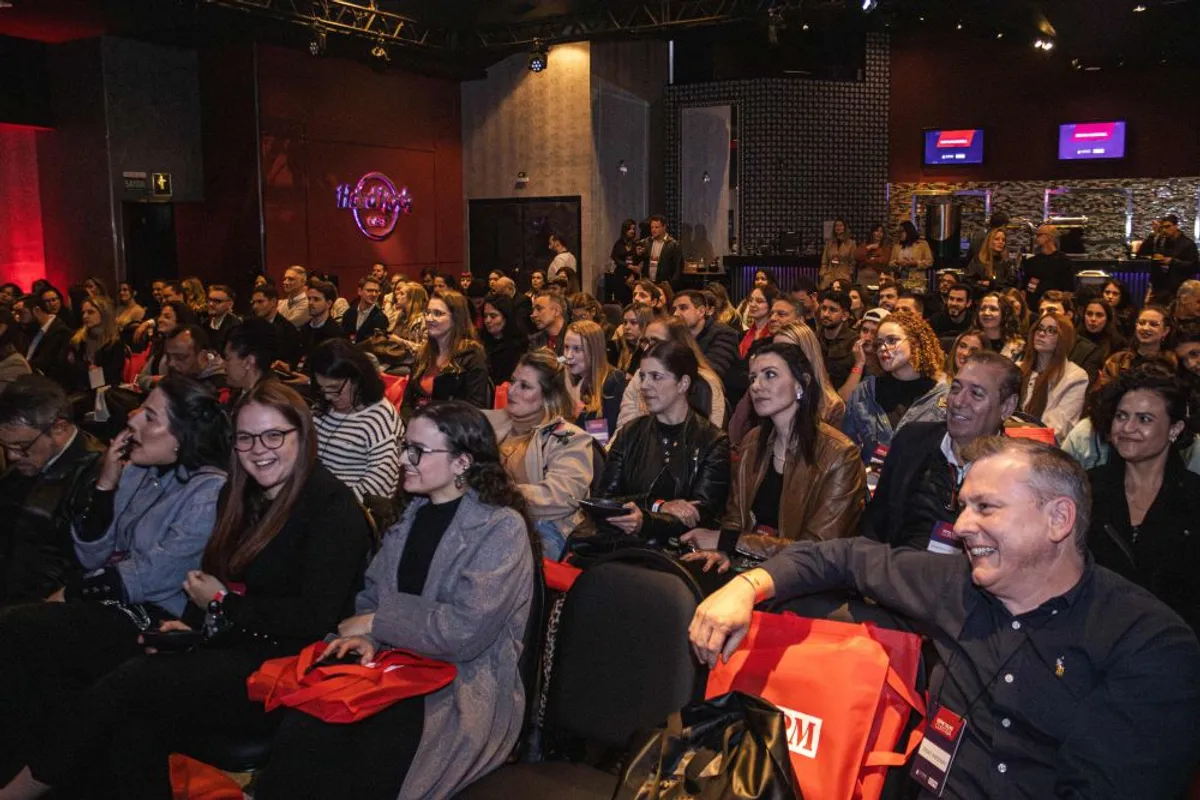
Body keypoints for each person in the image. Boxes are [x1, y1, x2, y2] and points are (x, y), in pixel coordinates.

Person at [689, 436, 1200, 799]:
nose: (961, 525)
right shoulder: (955, 585)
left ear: (1058, 520)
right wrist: (746, 585)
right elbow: (840, 555)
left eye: (986, 507)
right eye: (962, 506)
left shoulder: (1149, 644)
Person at [35, 381, 373, 798]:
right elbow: (211, 577)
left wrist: (220, 604)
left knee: (129, 685)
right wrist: (192, 627)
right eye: (246, 438)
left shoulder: (331, 509)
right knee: (125, 709)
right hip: (233, 648)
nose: (258, 449)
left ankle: (31, 783)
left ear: (303, 436)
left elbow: (311, 618)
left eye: (274, 435)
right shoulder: (242, 493)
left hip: (284, 672)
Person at [252, 401, 538, 800]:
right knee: (308, 719)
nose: (404, 459)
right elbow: (372, 593)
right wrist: (369, 639)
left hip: (463, 685)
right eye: (407, 447)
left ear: (461, 463)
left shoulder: (500, 528)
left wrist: (376, 624)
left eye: (418, 451)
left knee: (360, 744)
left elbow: (464, 632)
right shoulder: (413, 513)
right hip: (397, 663)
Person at [0, 376, 231, 799]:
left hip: (161, 619)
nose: (133, 418)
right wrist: (106, 483)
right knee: (31, 647)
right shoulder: (143, 471)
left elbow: (148, 575)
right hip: (115, 603)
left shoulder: (208, 490)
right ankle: (37, 768)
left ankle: (24, 778)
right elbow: (92, 553)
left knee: (22, 630)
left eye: (150, 414)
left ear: (181, 436)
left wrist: (73, 593)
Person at [681, 342, 864, 570]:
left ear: (802, 384)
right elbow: (735, 519)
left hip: (805, 581)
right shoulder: (752, 442)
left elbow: (817, 549)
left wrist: (731, 542)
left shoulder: (839, 454)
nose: (756, 386)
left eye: (770, 375)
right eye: (753, 378)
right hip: (748, 565)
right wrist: (723, 551)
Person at [864, 351, 1021, 551]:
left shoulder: (1017, 472)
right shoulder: (911, 441)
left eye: (976, 394)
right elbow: (875, 524)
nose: (958, 401)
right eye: (955, 389)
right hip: (900, 570)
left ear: (1007, 407)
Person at [1086, 367, 1200, 633]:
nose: (1128, 428)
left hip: (1176, 646)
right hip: (1095, 641)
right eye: (1121, 416)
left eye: (1145, 419)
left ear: (1175, 429)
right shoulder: (1086, 489)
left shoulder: (1194, 499)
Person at [596, 341, 731, 550]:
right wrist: (658, 506)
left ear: (683, 384)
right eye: (642, 376)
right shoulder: (630, 433)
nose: (644, 386)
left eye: (656, 377)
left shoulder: (712, 441)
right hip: (626, 547)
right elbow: (604, 500)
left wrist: (646, 520)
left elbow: (698, 515)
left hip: (682, 554)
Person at [0, 376, 105, 605]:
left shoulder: (98, 477)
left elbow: (80, 564)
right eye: (5, 446)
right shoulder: (30, 461)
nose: (12, 456)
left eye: (21, 446)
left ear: (59, 428)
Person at [484, 350, 592, 559]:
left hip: (543, 534)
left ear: (548, 396)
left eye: (525, 386)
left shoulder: (569, 438)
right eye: (513, 381)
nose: (511, 391)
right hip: (491, 524)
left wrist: (497, 494)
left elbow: (562, 497)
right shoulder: (491, 424)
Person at [842, 310, 948, 462]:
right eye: (879, 343)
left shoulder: (942, 398)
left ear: (915, 342)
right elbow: (848, 448)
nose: (883, 348)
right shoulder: (865, 392)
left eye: (892, 340)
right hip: (870, 483)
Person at [309, 339, 402, 501]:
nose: (327, 396)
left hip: (346, 509)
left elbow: (381, 486)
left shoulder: (380, 418)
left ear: (357, 379)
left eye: (334, 388)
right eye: (321, 388)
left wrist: (331, 505)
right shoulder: (323, 405)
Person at [616, 315, 727, 432]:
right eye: (645, 341)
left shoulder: (704, 381)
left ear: (677, 343)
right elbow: (623, 429)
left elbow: (709, 436)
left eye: (656, 342)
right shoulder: (640, 375)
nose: (647, 348)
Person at [400, 290, 490, 420]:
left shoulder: (472, 355)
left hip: (452, 429)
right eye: (428, 312)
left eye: (438, 313)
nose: (429, 319)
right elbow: (407, 403)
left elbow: (474, 409)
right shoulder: (424, 353)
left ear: (455, 319)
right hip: (418, 426)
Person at [1018, 312, 1088, 442]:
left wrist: (1014, 432)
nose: (1041, 333)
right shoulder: (1018, 368)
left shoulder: (1075, 376)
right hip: (1008, 442)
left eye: (1051, 331)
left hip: (1046, 450)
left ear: (1064, 338)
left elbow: (1058, 429)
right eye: (1040, 328)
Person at [675, 289, 746, 409]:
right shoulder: (679, 336)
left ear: (701, 311)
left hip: (722, 403)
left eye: (683, 308)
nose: (676, 314)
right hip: (691, 397)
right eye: (674, 309)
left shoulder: (725, 334)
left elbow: (713, 371)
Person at [564, 320, 627, 441]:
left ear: (594, 352)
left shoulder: (613, 381)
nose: (568, 355)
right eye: (566, 347)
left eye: (577, 349)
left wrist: (575, 411)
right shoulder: (567, 379)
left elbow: (599, 440)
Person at [65, 296, 126, 396]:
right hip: (80, 390)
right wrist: (89, 369)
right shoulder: (77, 340)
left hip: (106, 393)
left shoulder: (114, 343)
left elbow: (112, 376)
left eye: (90, 312)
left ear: (104, 314)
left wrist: (91, 371)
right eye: (83, 313)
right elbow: (71, 371)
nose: (85, 316)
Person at [1101, 305, 1176, 382]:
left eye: (1153, 324)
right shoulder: (1118, 360)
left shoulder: (1171, 362)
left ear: (1165, 331)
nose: (1145, 328)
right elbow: (1104, 390)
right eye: (1141, 323)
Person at [223, 318, 279, 405]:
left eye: (227, 359)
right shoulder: (241, 393)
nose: (223, 366)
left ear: (248, 362)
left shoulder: (265, 405)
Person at [1147, 213, 1199, 305]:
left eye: (1168, 226)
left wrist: (1172, 262)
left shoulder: (1188, 244)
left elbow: (1194, 266)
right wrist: (1154, 235)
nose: (1165, 230)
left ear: (1176, 226)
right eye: (1162, 227)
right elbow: (1145, 253)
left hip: (1178, 291)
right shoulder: (1161, 242)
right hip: (1159, 291)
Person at [24, 292, 72, 387]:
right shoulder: (33, 329)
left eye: (22, 312)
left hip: (47, 383)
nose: (17, 316)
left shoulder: (59, 331)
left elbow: (47, 362)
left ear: (36, 311)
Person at [1021, 224, 1075, 308]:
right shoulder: (1033, 261)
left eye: (1039, 235)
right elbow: (1028, 287)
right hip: (1034, 307)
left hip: (1055, 307)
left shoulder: (1064, 261)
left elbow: (1069, 290)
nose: (1036, 238)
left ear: (1049, 237)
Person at [480, 293, 527, 387]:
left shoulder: (519, 346)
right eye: (485, 316)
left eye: (493, 316)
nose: (488, 320)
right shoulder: (479, 341)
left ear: (506, 317)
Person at [816, 289, 857, 389]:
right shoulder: (813, 338)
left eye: (832, 310)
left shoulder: (854, 342)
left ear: (845, 315)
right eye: (824, 308)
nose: (825, 314)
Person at [299, 280, 348, 363]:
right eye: (309, 299)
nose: (310, 302)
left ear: (329, 303)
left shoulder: (336, 334)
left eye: (316, 299)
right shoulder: (304, 328)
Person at [974, 291, 1025, 361]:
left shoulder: (1018, 347)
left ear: (1005, 314)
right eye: (982, 309)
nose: (986, 313)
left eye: (993, 309)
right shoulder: (970, 339)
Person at [965, 227, 1018, 291]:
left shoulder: (1007, 262)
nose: (1001, 242)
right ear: (989, 241)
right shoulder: (978, 260)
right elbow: (968, 280)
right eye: (997, 239)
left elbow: (1011, 284)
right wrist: (982, 283)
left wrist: (991, 284)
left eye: (1003, 240)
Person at [1077, 299, 1126, 368]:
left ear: (1107, 319)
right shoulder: (1074, 338)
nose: (1093, 319)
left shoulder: (1117, 343)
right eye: (1089, 314)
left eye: (1099, 315)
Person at [341, 276, 389, 343]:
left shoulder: (381, 318)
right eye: (369, 290)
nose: (374, 294)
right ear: (359, 291)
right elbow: (342, 338)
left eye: (377, 291)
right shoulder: (349, 313)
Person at [641, 214, 684, 288]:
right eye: (652, 227)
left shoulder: (673, 244)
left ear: (664, 227)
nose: (653, 230)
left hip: (665, 284)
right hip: (649, 283)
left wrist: (672, 284)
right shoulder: (646, 242)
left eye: (656, 227)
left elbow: (679, 266)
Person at [888, 221, 933, 288]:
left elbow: (929, 262)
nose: (900, 234)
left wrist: (915, 263)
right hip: (900, 278)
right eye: (899, 232)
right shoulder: (897, 246)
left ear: (909, 231)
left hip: (916, 279)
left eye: (902, 231)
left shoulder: (922, 244)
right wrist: (897, 262)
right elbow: (890, 263)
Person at [608, 218, 641, 305]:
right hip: (620, 275)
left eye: (634, 229)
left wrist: (633, 274)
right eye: (630, 229)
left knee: (632, 300)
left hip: (633, 276)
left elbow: (637, 261)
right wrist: (627, 266)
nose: (632, 231)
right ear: (625, 230)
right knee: (620, 300)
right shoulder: (619, 243)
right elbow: (614, 257)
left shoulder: (635, 244)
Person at [388, 281, 429, 353]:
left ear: (412, 298)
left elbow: (424, 350)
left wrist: (400, 341)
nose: (397, 296)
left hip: (412, 362)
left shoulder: (423, 320)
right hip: (396, 356)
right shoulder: (400, 315)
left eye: (402, 294)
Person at [738, 285, 776, 358]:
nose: (752, 304)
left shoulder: (774, 336)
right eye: (750, 300)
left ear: (771, 305)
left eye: (759, 301)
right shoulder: (743, 335)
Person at [615, 302, 653, 375]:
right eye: (625, 322)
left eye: (634, 322)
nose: (627, 327)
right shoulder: (617, 345)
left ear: (646, 324)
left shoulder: (650, 350)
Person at [528, 289, 568, 356]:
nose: (533, 314)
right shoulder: (535, 341)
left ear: (556, 311)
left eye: (539, 309)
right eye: (533, 310)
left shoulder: (575, 337)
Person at [204, 285, 241, 354]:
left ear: (230, 304)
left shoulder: (236, 327)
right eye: (209, 300)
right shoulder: (204, 324)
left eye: (217, 301)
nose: (211, 304)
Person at [819, 218, 855, 288]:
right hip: (829, 275)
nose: (838, 227)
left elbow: (852, 261)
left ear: (844, 227)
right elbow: (825, 260)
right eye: (836, 226)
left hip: (844, 275)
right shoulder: (829, 243)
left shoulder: (851, 243)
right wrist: (823, 272)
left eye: (841, 225)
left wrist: (850, 273)